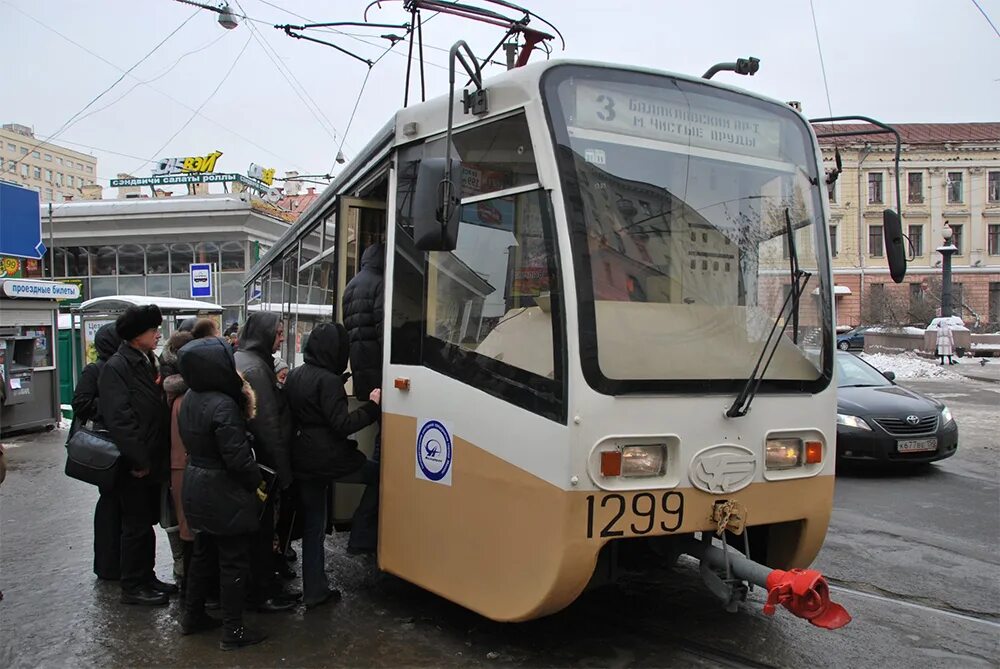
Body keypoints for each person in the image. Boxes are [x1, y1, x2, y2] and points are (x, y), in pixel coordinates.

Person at [177, 336, 267, 650]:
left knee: (202, 555)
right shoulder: (224, 405)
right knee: (233, 561)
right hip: (222, 491)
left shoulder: (189, 397)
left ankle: (193, 617)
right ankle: (233, 631)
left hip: (196, 485)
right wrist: (256, 482)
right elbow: (238, 459)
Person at [285, 323, 381, 608]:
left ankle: (315, 590)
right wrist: (373, 406)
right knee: (380, 476)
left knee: (314, 527)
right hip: (331, 459)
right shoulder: (328, 381)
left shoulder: (296, 374)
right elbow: (342, 424)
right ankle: (361, 536)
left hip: (303, 459)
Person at [99, 304, 175, 606]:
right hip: (134, 466)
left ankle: (147, 576)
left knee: (146, 524)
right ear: (135, 335)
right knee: (135, 526)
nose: (158, 335)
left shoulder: (145, 360)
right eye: (153, 330)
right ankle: (133, 585)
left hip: (150, 460)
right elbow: (120, 420)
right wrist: (139, 460)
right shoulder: (118, 367)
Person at [234, 312, 297, 612]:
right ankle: (262, 593)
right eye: (279, 332)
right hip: (264, 466)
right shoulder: (257, 368)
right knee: (262, 533)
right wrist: (283, 473)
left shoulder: (244, 359)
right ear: (264, 334)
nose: (282, 337)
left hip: (251, 462)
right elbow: (270, 426)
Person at [341, 242, 385, 554]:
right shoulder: (380, 283)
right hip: (381, 374)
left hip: (361, 372)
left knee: (381, 444)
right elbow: (385, 332)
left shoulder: (351, 286)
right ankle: (365, 533)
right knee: (384, 454)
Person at [70, 323, 123, 581]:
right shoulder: (96, 369)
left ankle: (117, 563)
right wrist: (112, 405)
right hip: (107, 448)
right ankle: (107, 565)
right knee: (110, 505)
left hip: (119, 445)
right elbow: (80, 403)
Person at [162, 330, 195, 589]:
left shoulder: (171, 390)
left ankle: (184, 576)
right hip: (182, 464)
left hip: (175, 463)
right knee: (187, 527)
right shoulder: (185, 396)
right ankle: (189, 587)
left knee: (180, 523)